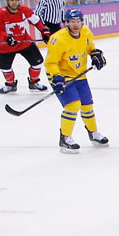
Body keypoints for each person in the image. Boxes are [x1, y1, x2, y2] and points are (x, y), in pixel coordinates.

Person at [44, 8, 107, 153]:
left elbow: (90, 48)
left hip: (79, 74)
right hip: (60, 76)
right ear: (66, 23)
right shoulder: (57, 40)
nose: (75, 25)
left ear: (82, 22)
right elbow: (50, 63)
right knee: (73, 105)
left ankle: (93, 133)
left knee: (87, 105)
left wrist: (96, 55)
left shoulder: (86, 32)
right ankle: (65, 138)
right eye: (72, 22)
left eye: (77, 21)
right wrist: (56, 78)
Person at [0, 0, 48, 94]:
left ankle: (33, 82)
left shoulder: (24, 10)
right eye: (11, 0)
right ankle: (10, 84)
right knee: (5, 67)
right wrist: (7, 37)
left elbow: (36, 21)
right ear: (7, 2)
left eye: (16, 0)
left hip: (24, 42)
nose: (14, 2)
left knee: (38, 62)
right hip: (6, 45)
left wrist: (43, 30)